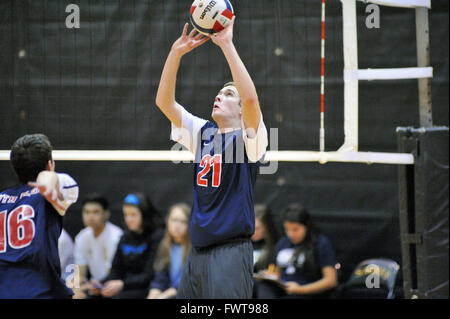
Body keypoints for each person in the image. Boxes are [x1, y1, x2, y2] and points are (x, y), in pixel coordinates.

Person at [155, 16, 268, 298]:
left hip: (230, 252)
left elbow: (252, 100)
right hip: (197, 252)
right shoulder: (202, 132)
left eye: (228, 94)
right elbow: (164, 102)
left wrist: (227, 45)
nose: (219, 96)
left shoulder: (249, 139)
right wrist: (175, 53)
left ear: (241, 110)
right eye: (218, 93)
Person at [0, 134, 79, 298]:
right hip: (41, 291)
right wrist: (48, 178)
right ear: (50, 165)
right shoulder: (48, 194)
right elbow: (63, 184)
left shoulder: (2, 198)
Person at [255, 203, 338, 299]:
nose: (291, 234)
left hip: (306, 291)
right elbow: (278, 273)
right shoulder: (283, 243)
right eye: (287, 230)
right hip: (284, 288)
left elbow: (331, 280)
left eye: (295, 229)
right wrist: (269, 276)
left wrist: (300, 289)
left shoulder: (320, 243)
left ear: (306, 226)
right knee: (262, 286)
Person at [97, 193, 164, 299]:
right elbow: (116, 269)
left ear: (144, 214)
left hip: (143, 288)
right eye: (126, 214)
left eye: (133, 215)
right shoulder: (125, 236)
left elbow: (149, 275)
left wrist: (122, 284)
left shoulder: (156, 236)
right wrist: (102, 284)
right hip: (123, 286)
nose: (128, 219)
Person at [72, 194, 123, 299]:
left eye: (96, 212)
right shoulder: (81, 237)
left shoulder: (116, 236)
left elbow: (112, 274)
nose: (90, 217)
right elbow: (80, 273)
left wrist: (87, 287)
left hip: (113, 286)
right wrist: (74, 288)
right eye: (87, 212)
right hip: (94, 286)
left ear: (106, 214)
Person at [147, 203, 191, 299]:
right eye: (174, 220)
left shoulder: (194, 249)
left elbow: (189, 281)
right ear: (167, 221)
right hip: (169, 292)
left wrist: (163, 296)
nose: (177, 226)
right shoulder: (164, 245)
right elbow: (161, 275)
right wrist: (154, 292)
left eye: (183, 222)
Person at [252, 204, 280, 274]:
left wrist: (269, 273)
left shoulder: (275, 246)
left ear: (266, 227)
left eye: (257, 228)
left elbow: (273, 270)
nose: (253, 232)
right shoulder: (242, 243)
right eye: (250, 227)